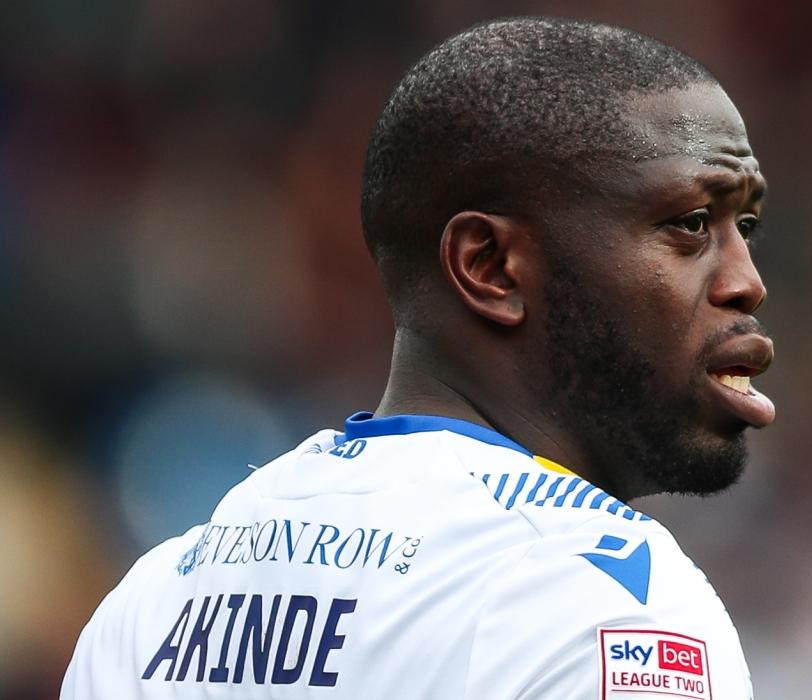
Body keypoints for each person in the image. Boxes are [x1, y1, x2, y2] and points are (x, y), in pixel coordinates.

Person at [62, 17, 775, 700]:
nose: (747, 281)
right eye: (690, 224)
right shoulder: (615, 611)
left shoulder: (156, 603)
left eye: (744, 227)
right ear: (490, 266)